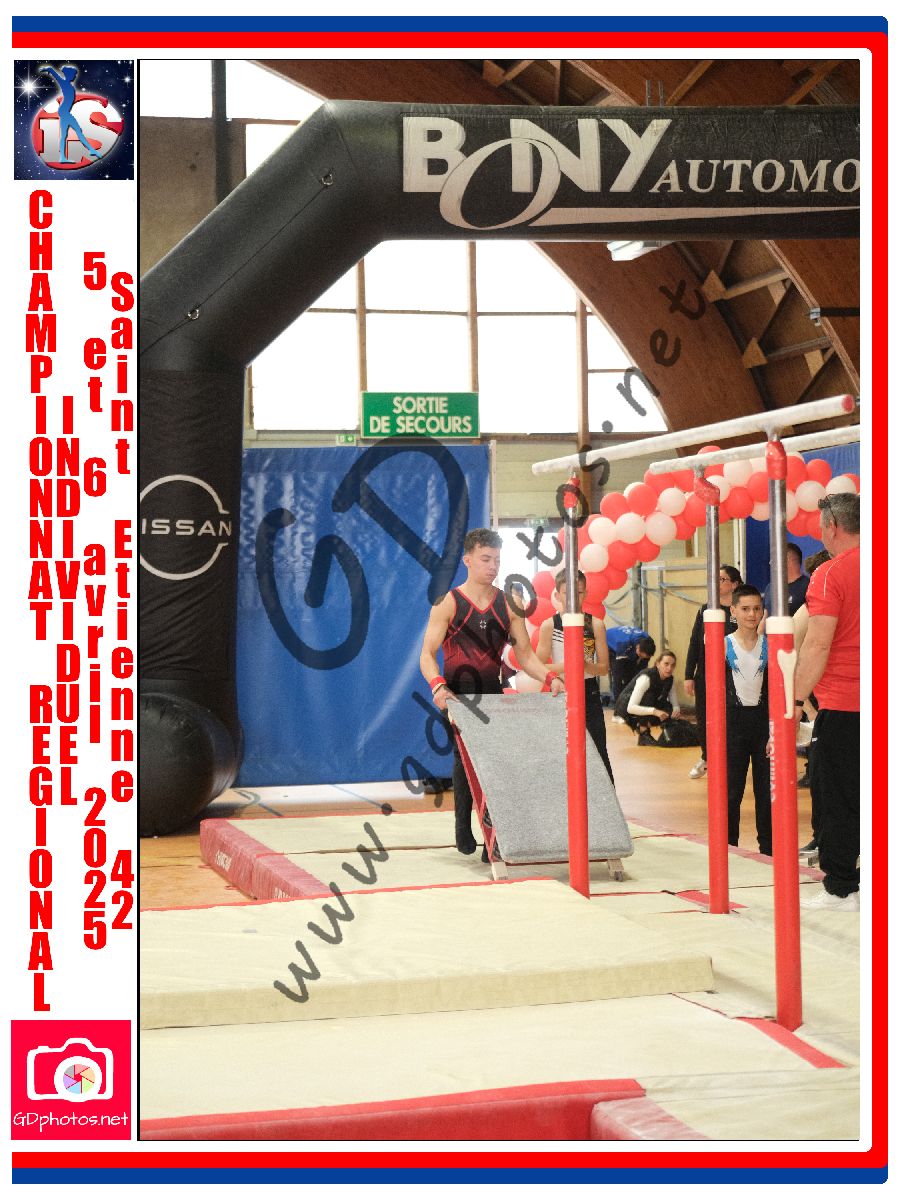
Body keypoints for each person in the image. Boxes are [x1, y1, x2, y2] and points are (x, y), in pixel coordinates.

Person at [420, 528, 564, 858]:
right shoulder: (448, 603)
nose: (493, 566)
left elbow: (526, 656)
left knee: (497, 763)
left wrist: (551, 677)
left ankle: (494, 834)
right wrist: (438, 685)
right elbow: (427, 654)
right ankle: (463, 824)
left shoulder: (515, 604)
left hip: (495, 692)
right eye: (486, 559)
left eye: (497, 560)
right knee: (466, 758)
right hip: (457, 694)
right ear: (467, 560)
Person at [793, 494, 860, 911]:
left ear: (832, 526)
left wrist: (795, 701)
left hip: (846, 706)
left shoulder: (830, 573)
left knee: (838, 798)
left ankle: (841, 888)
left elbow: (816, 645)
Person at [535, 569, 614, 784]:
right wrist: (568, 666)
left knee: (598, 750)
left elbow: (603, 668)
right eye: (567, 592)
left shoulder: (595, 624)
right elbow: (538, 667)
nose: (573, 598)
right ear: (557, 594)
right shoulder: (550, 625)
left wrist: (585, 665)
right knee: (560, 754)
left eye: (578, 592)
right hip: (561, 692)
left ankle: (606, 800)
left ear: (585, 593)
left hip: (589, 693)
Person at [724, 585, 772, 857]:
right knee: (732, 792)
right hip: (732, 725)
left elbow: (778, 688)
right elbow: (709, 691)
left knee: (766, 793)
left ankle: (769, 850)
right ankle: (729, 848)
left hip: (763, 726)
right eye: (745, 609)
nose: (752, 614)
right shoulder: (722, 644)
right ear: (733, 611)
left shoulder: (770, 645)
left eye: (756, 609)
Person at [684, 564, 743, 779]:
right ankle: (707, 757)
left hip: (733, 676)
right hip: (706, 675)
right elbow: (694, 642)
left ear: (734, 584)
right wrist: (688, 675)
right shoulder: (706, 610)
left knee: (731, 718)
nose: (716, 583)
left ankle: (731, 760)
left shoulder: (741, 610)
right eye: (714, 579)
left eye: (722, 579)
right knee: (704, 718)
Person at [615, 650, 679, 745]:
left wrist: (676, 709)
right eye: (666, 664)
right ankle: (643, 732)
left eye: (672, 665)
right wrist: (655, 712)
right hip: (626, 709)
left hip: (643, 705)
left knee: (668, 708)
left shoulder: (670, 679)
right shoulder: (646, 678)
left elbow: (674, 701)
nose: (669, 668)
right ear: (657, 664)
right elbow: (631, 708)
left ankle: (663, 731)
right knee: (649, 696)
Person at [606, 626, 655, 700]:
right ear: (637, 647)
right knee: (618, 677)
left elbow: (642, 668)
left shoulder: (649, 642)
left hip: (629, 644)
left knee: (635, 674)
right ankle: (618, 702)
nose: (641, 658)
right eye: (640, 655)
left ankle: (633, 698)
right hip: (609, 643)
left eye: (644, 657)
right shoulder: (623, 645)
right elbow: (618, 674)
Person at [763, 543, 809, 617]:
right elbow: (764, 618)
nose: (770, 562)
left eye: (773, 558)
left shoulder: (809, 587)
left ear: (785, 560)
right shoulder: (770, 587)